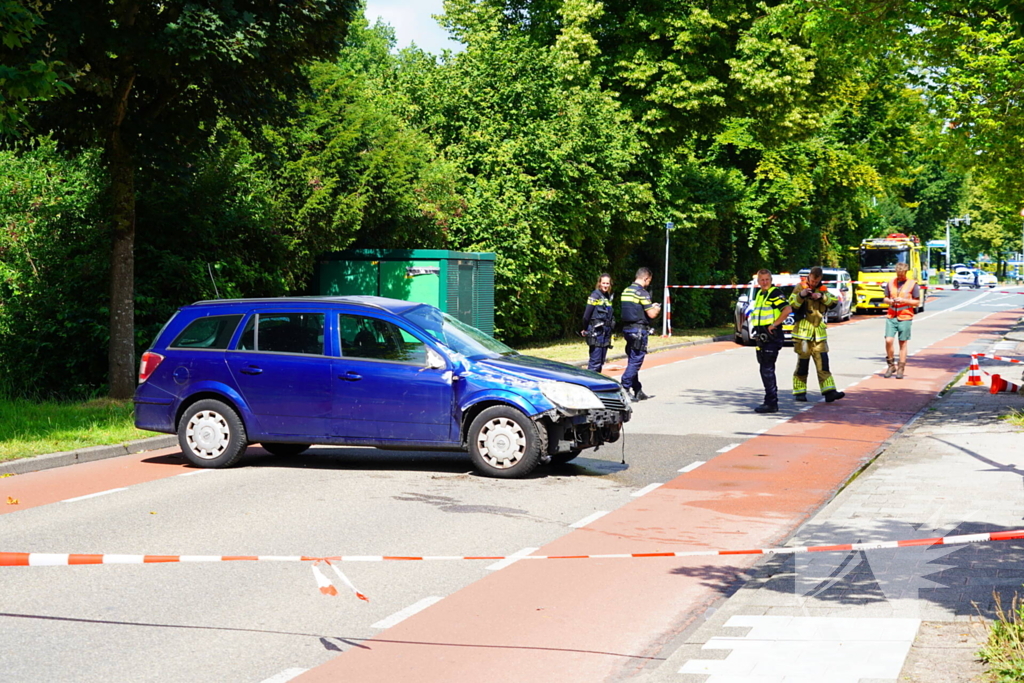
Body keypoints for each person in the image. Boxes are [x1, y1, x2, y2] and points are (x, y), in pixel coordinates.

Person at [789, 266, 845, 403]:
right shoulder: (799, 287)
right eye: (812, 281)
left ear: (820, 279)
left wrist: (821, 297)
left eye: (816, 281)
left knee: (823, 363)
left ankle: (829, 392)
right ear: (809, 276)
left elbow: (833, 302)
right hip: (802, 333)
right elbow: (792, 304)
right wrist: (802, 295)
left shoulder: (823, 289)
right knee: (803, 364)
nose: (814, 283)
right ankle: (800, 392)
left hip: (818, 333)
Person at [748, 269, 793, 413]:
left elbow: (787, 309)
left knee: (767, 369)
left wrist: (774, 324)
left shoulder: (774, 293)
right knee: (765, 368)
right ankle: (770, 401)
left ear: (771, 280)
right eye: (762, 280)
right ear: (758, 281)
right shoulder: (761, 294)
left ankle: (771, 403)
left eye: (767, 279)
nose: (764, 282)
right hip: (763, 336)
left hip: (772, 336)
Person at [619, 267, 660, 401]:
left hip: (627, 329)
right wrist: (656, 308)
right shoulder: (642, 293)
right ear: (646, 278)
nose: (648, 283)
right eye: (649, 280)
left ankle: (637, 390)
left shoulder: (626, 291)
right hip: (639, 330)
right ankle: (624, 387)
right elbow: (651, 314)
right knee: (636, 360)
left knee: (632, 359)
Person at [882, 261, 920, 379]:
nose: (900, 276)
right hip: (891, 316)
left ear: (905, 272)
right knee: (888, 340)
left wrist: (904, 301)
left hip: (905, 316)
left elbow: (917, 302)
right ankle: (891, 365)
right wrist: (890, 301)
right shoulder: (891, 283)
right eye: (898, 274)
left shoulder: (912, 284)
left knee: (902, 343)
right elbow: (885, 298)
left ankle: (901, 368)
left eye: (902, 274)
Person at [581, 273, 614, 372]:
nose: (605, 285)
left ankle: (598, 381)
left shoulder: (607, 297)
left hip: (605, 333)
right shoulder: (595, 295)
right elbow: (586, 315)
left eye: (607, 283)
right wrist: (585, 329)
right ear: (599, 283)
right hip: (596, 332)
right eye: (603, 283)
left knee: (601, 362)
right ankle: (590, 381)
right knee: (595, 363)